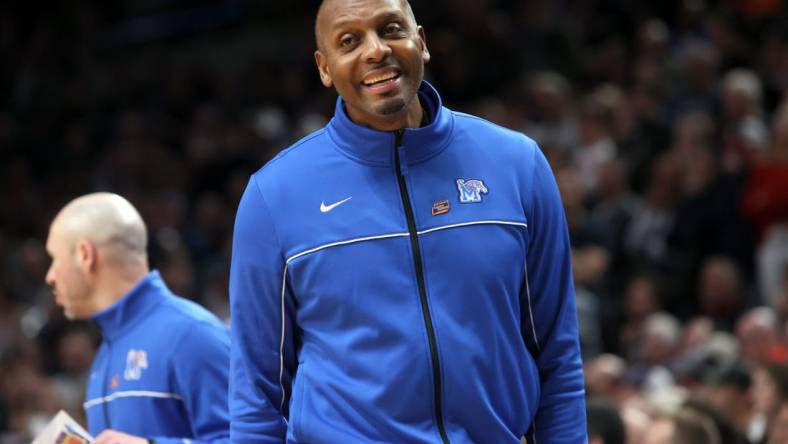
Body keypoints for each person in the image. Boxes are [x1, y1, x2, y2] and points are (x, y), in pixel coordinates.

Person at [229, 0, 587, 442]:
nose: (376, 50)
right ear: (325, 68)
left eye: (390, 28)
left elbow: (558, 356)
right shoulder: (274, 196)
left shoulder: (517, 164)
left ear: (421, 41)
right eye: (349, 41)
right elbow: (256, 393)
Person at [44, 193, 230, 444]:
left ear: (85, 254)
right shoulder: (105, 353)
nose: (50, 276)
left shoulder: (193, 334)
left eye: (54, 259)